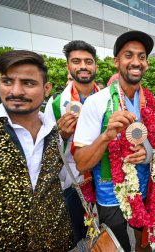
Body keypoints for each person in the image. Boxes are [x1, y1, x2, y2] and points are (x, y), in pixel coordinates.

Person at [0, 50, 72, 251]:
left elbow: (62, 180)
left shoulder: (54, 133)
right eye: (7, 81)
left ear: (46, 89)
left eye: (28, 83)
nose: (16, 91)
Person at [72, 30, 155, 252]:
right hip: (111, 196)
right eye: (128, 55)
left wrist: (147, 152)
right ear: (116, 62)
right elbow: (81, 163)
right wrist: (106, 136)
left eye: (141, 56)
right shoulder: (96, 103)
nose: (136, 62)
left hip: (145, 189)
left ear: (146, 64)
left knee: (145, 245)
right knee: (120, 248)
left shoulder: (150, 102)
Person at [44, 40, 100, 244]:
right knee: (79, 233)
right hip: (75, 178)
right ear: (68, 66)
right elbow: (47, 146)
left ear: (96, 66)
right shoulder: (57, 103)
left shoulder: (108, 99)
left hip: (106, 176)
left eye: (88, 61)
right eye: (76, 61)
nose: (83, 66)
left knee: (110, 230)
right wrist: (63, 135)